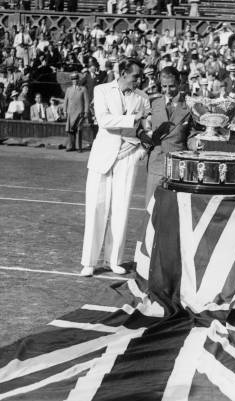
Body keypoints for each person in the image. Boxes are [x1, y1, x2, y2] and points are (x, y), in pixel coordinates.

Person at [80, 58, 151, 277]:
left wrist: (141, 151)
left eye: (140, 76)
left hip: (128, 157)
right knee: (95, 208)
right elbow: (104, 120)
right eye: (135, 76)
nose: (139, 80)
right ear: (122, 74)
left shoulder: (143, 97)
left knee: (121, 210)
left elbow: (147, 129)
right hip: (103, 156)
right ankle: (89, 262)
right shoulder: (102, 90)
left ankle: (114, 260)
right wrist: (133, 119)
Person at [144, 66, 199, 206]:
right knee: (151, 207)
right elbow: (144, 129)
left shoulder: (190, 105)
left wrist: (196, 143)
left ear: (180, 82)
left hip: (178, 164)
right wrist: (146, 136)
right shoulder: (153, 103)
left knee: (175, 209)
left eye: (172, 86)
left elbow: (191, 135)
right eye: (164, 86)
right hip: (156, 164)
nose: (168, 91)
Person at [63, 72, 89, 152]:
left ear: (78, 80)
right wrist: (65, 111)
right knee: (70, 130)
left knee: (79, 130)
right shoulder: (68, 89)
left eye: (76, 79)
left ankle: (78, 147)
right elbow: (65, 101)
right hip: (70, 113)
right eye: (73, 79)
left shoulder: (83, 89)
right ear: (72, 80)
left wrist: (86, 112)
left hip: (80, 113)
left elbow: (86, 101)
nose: (75, 81)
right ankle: (70, 146)